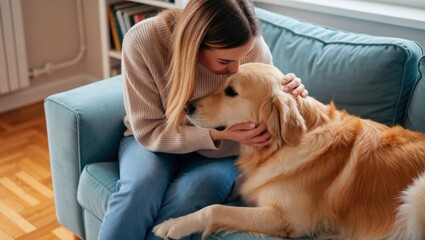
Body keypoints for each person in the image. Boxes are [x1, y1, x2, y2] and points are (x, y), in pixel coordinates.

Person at [98, 0, 308, 239]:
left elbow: (268, 102)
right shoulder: (143, 42)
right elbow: (148, 131)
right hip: (153, 142)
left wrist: (290, 91)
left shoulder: (249, 45)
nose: (237, 68)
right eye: (225, 62)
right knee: (139, 188)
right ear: (194, 46)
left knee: (195, 192)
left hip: (222, 153)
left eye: (244, 56)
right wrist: (218, 133)